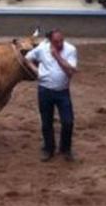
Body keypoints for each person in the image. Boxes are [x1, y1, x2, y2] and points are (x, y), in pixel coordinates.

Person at [25, 29, 78, 163]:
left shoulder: (70, 49)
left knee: (68, 121)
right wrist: (36, 72)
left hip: (62, 91)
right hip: (45, 90)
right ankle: (48, 148)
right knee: (46, 121)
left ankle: (65, 148)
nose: (60, 44)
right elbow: (27, 58)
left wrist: (57, 57)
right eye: (56, 42)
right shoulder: (42, 49)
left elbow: (71, 71)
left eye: (61, 40)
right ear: (50, 41)